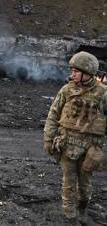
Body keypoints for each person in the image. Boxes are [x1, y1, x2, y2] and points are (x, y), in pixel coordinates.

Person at [43, 51, 107, 226]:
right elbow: (53, 114)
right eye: (72, 71)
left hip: (90, 148)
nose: (72, 74)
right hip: (67, 144)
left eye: (76, 71)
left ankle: (83, 208)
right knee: (68, 183)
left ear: (87, 72)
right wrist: (48, 139)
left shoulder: (103, 94)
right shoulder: (67, 90)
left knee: (85, 186)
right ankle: (70, 217)